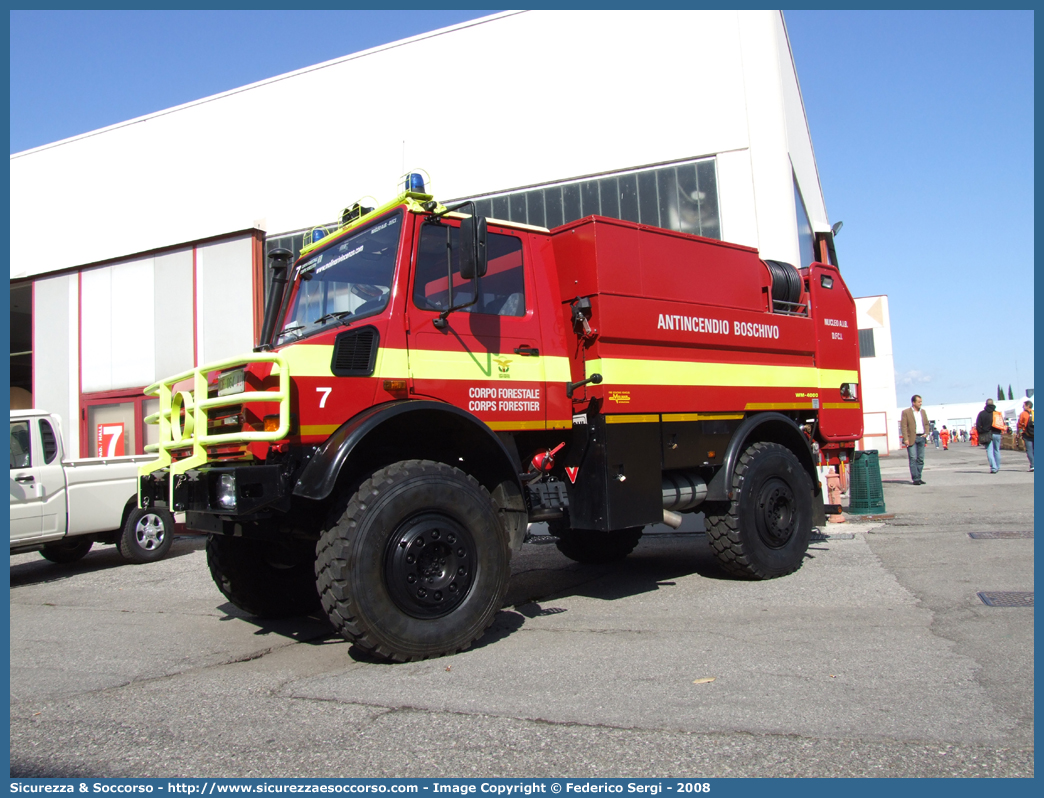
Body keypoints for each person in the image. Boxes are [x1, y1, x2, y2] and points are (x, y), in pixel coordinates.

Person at [900, 394, 930, 485]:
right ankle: (915, 478)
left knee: (920, 459)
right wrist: (905, 438)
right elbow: (904, 426)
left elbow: (926, 424)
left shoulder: (923, 412)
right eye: (919, 402)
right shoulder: (906, 412)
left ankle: (919, 476)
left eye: (921, 402)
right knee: (913, 458)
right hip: (911, 438)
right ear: (914, 402)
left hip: (921, 437)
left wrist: (926, 433)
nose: (921, 403)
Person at [975, 398, 1005, 473]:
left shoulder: (982, 414)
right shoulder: (997, 413)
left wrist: (981, 432)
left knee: (989, 451)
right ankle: (997, 466)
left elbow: (978, 425)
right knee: (997, 450)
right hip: (997, 433)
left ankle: (993, 467)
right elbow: (1002, 424)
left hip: (987, 434)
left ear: (986, 404)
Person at [1016, 400, 1034, 472]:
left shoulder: (1023, 414)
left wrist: (1019, 433)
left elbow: (1020, 424)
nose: (1023, 407)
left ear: (1027, 406)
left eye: (1024, 405)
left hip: (1027, 434)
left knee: (1029, 450)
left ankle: (1033, 465)